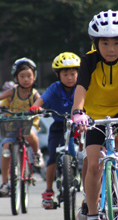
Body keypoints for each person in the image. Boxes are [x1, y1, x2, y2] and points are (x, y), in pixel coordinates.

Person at [71, 9, 118, 220]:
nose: (111, 49)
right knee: (93, 166)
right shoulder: (88, 61)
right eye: (104, 43)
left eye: (116, 43)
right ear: (96, 44)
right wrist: (78, 111)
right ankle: (93, 214)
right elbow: (81, 88)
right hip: (94, 116)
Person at [29, 52, 83, 209]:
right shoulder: (55, 88)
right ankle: (48, 191)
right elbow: (43, 99)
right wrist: (36, 107)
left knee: (88, 153)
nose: (69, 77)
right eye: (65, 74)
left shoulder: (82, 87)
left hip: (78, 125)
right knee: (52, 157)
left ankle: (81, 178)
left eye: (73, 73)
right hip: (59, 126)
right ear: (58, 75)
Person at [0, 57, 44, 197]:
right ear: (16, 77)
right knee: (6, 148)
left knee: (30, 135)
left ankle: (37, 154)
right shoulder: (13, 91)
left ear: (34, 76)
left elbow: (41, 102)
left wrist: (37, 108)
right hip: (13, 125)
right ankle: (5, 183)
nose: (26, 79)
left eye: (29, 76)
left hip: (28, 123)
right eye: (22, 76)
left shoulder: (34, 93)